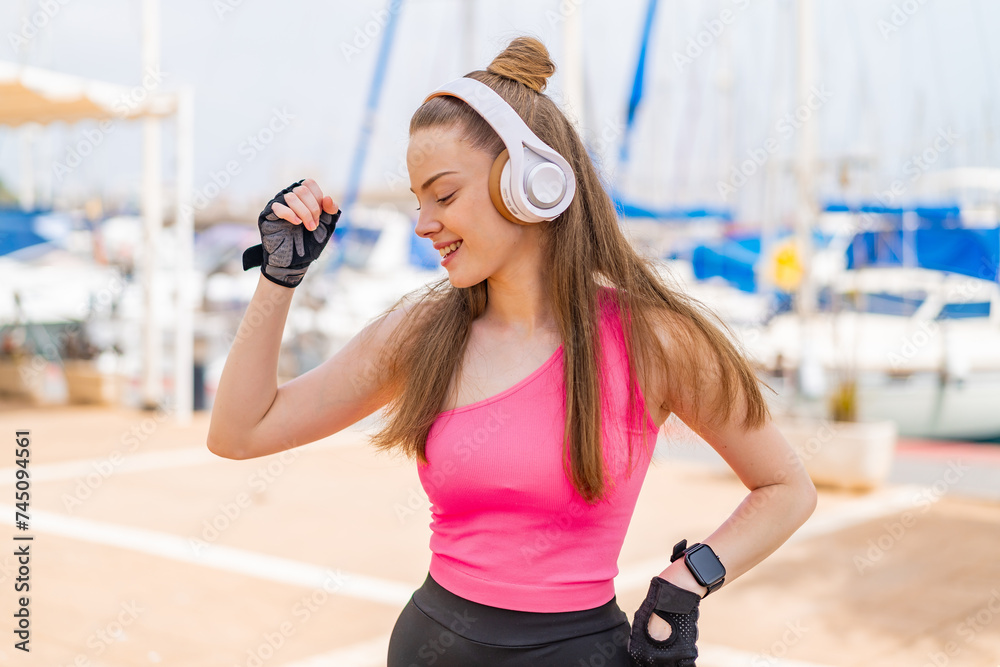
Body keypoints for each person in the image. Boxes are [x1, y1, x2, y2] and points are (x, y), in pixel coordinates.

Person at [207, 35, 817, 667]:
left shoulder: (655, 341)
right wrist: (279, 279)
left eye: (443, 196)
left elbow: (785, 487)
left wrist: (685, 586)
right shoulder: (422, 334)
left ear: (534, 182)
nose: (423, 223)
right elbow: (239, 432)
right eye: (418, 202)